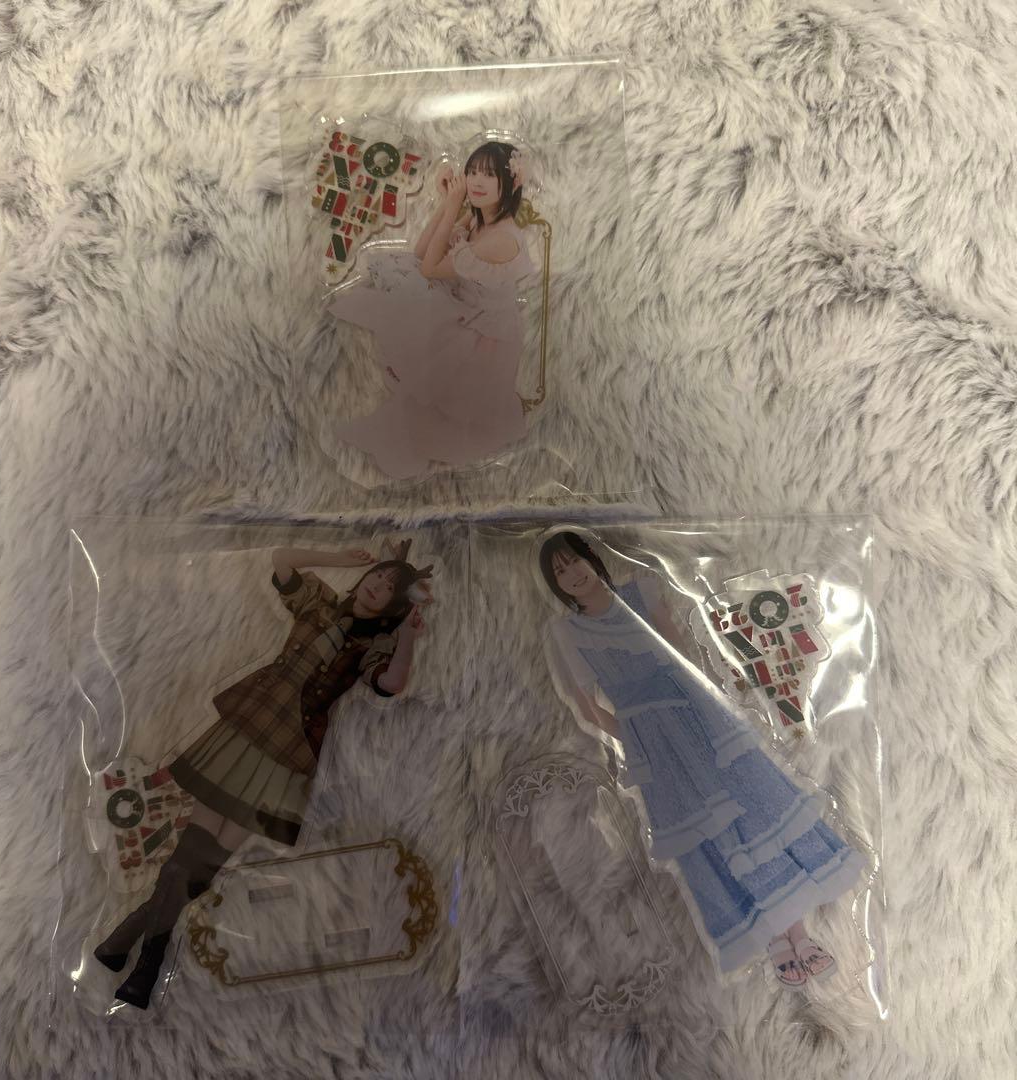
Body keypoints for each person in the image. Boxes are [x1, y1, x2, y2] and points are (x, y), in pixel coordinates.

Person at [93, 541, 432, 1009]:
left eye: (391, 587)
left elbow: (391, 683)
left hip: (289, 751)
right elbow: (282, 560)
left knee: (204, 868)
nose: (379, 585)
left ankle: (128, 936)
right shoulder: (319, 604)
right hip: (249, 727)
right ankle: (146, 966)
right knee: (185, 860)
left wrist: (409, 636)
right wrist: (344, 558)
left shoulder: (374, 643)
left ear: (394, 603)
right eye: (380, 575)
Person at [539, 531, 865, 990]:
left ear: (591, 558)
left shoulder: (641, 593)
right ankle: (772, 939)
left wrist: (709, 706)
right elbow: (588, 707)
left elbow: (684, 656)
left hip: (699, 718)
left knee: (753, 806)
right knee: (707, 836)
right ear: (555, 585)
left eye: (573, 561)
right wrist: (639, 738)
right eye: (558, 571)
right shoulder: (568, 632)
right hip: (655, 745)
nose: (571, 574)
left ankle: (799, 934)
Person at [329, 140, 535, 479]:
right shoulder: (480, 221)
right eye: (472, 172)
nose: (476, 181)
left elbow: (430, 269)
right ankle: (399, 439)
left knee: (440, 399)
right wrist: (446, 204)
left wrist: (453, 206)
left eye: (489, 174)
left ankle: (410, 446)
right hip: (466, 312)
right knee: (407, 293)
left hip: (485, 336)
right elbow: (422, 252)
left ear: (509, 182)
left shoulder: (500, 238)